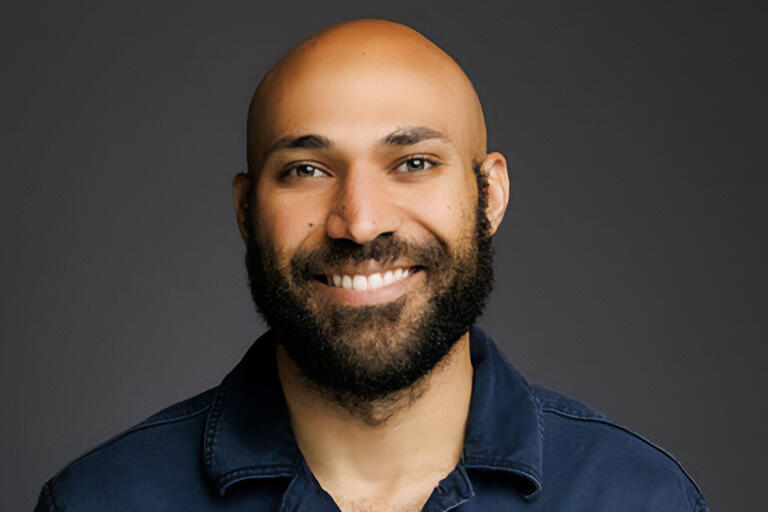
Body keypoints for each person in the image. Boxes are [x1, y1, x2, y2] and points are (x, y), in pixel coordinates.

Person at [35, 19, 708, 512]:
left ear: (490, 194)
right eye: (306, 169)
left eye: (413, 163)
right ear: (246, 211)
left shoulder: (639, 497)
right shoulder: (102, 500)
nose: (359, 222)